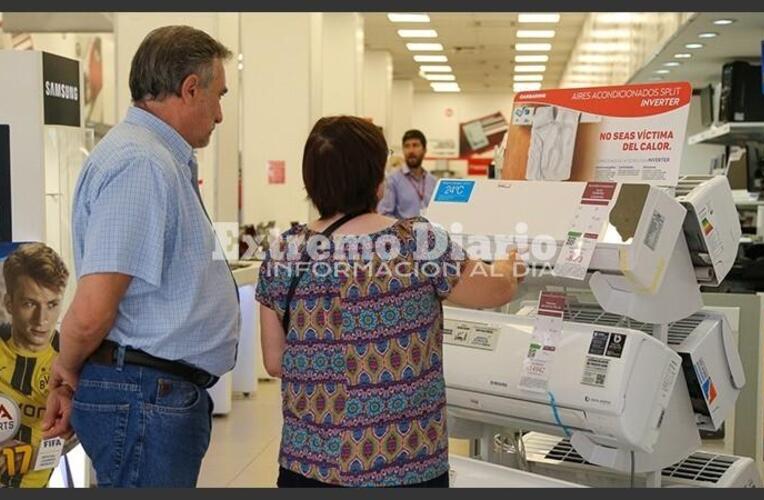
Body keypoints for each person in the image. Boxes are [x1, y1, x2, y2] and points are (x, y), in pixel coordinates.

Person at [257, 116, 524, 488]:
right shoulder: (417, 242)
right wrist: (509, 266)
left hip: (310, 463)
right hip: (407, 460)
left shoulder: (285, 251)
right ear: (377, 179)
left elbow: (274, 361)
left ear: (310, 180)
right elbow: (497, 290)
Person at [41, 25, 239, 488]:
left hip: (153, 394)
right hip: (145, 395)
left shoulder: (153, 158)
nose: (220, 114)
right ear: (191, 88)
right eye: (218, 96)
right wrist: (67, 371)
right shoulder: (141, 164)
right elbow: (93, 309)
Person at [0, 243, 68, 488]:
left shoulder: (71, 359)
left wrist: (36, 455)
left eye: (52, 305)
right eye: (30, 303)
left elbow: (79, 431)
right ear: (9, 304)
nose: (42, 320)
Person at [377, 129, 438, 219]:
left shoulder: (433, 181)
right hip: (403, 232)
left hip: (430, 231)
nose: (411, 151)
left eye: (415, 145)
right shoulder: (392, 180)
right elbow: (384, 214)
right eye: (407, 146)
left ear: (424, 150)